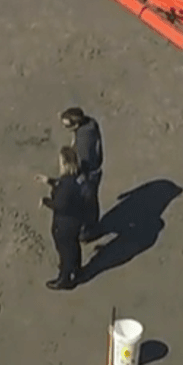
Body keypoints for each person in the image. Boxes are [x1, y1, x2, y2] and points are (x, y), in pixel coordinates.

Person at [37, 147, 85, 290]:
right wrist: (49, 181)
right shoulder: (77, 179)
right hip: (75, 222)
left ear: (64, 164)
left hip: (64, 225)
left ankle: (65, 279)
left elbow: (60, 205)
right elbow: (62, 185)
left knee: (64, 250)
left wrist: (46, 201)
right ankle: (76, 269)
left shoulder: (65, 185)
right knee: (74, 247)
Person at [60, 107, 104, 242]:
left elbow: (82, 164)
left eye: (67, 125)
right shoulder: (90, 123)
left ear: (77, 124)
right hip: (95, 168)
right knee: (91, 201)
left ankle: (87, 232)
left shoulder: (85, 141)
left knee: (86, 203)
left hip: (89, 175)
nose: (64, 127)